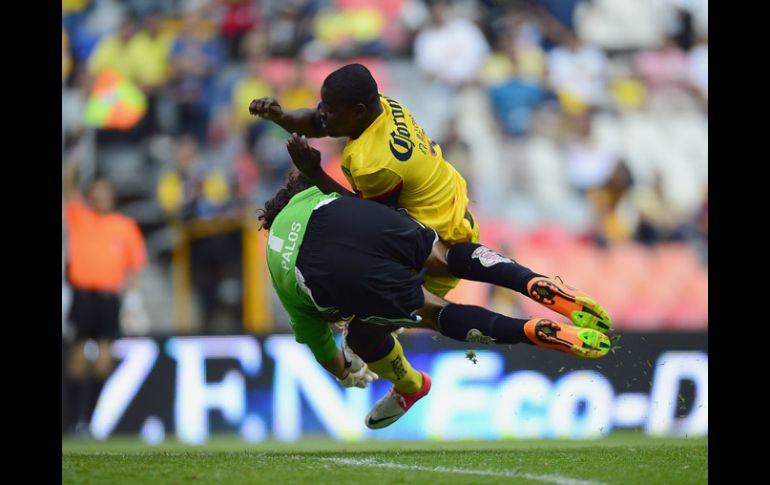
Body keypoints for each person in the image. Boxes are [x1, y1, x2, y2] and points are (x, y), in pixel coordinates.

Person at [260, 136, 611, 430]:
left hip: (331, 272)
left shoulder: (277, 270)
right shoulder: (310, 196)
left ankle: (523, 332)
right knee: (443, 255)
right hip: (354, 217)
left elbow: (320, 346)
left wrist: (347, 373)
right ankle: (534, 282)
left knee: (423, 317)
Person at [248, 63, 612, 334]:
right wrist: (281, 117)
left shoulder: (374, 164)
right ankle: (533, 282)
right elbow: (317, 122)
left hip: (427, 227)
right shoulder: (382, 107)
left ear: (357, 112)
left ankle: (525, 332)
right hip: (448, 196)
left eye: (330, 107)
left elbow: (367, 223)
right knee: (445, 275)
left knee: (372, 332)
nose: (322, 112)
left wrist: (314, 173)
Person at [62, 155, 147, 435]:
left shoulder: (125, 226)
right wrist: (74, 153)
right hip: (83, 296)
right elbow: (68, 186)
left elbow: (133, 267)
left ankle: (88, 420)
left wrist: (133, 302)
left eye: (104, 191)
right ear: (90, 195)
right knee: (77, 359)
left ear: (112, 196)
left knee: (102, 361)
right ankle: (73, 420)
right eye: (96, 191)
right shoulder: (80, 218)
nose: (100, 196)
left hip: (109, 299)